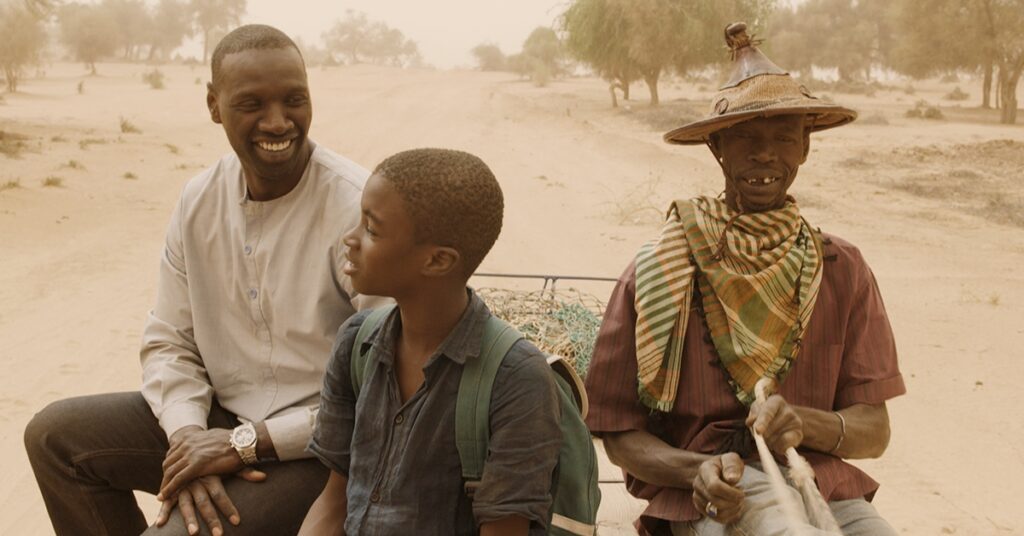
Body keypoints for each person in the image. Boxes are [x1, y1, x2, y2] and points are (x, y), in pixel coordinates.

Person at [24, 24, 385, 536]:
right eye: (251, 103)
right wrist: (188, 440)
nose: (278, 121)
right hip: (216, 420)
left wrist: (241, 445)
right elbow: (170, 341)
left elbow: (382, 383)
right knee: (55, 437)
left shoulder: (354, 206)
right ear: (214, 106)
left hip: (316, 449)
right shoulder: (199, 200)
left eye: (294, 99)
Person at [583, 23, 906, 536]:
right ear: (717, 148)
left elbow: (875, 430)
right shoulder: (661, 267)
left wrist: (805, 422)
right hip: (711, 500)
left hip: (819, 482)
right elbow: (620, 434)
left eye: (784, 137)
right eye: (746, 138)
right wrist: (697, 471)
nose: (765, 155)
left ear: (804, 147)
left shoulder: (842, 268)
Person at [298, 148, 562, 536]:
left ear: (438, 262)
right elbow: (335, 500)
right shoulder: (357, 344)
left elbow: (504, 529)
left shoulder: (516, 379)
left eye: (371, 230)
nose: (350, 239)